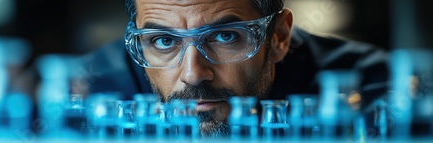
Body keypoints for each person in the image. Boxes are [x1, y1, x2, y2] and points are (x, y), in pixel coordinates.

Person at [85, 0, 388, 137]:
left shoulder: (372, 90)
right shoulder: (92, 91)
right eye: (164, 41)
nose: (192, 73)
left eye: (225, 36)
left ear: (279, 37)